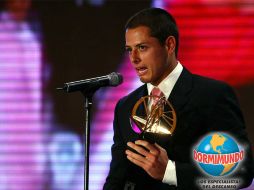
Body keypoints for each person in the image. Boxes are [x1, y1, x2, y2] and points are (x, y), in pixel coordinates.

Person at [103, 8, 254, 190]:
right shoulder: (125, 106)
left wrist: (169, 171)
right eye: (129, 49)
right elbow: (117, 179)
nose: (133, 58)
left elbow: (241, 173)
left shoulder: (213, 95)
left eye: (142, 47)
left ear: (169, 45)